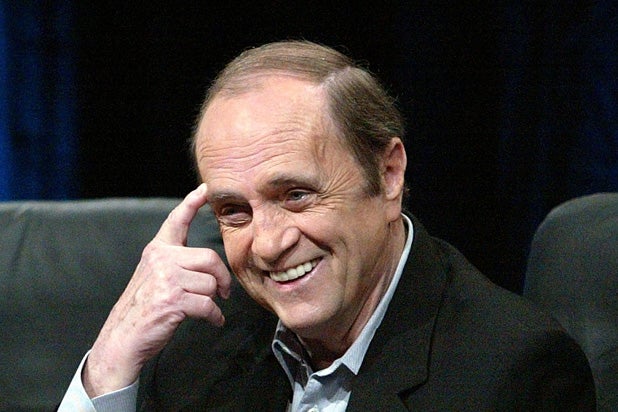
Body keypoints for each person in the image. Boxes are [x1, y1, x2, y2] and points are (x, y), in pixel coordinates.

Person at [59, 40, 596, 411]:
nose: (268, 244)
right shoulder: (196, 346)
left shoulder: (512, 373)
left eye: (296, 195)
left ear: (387, 175)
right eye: (234, 211)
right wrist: (107, 369)